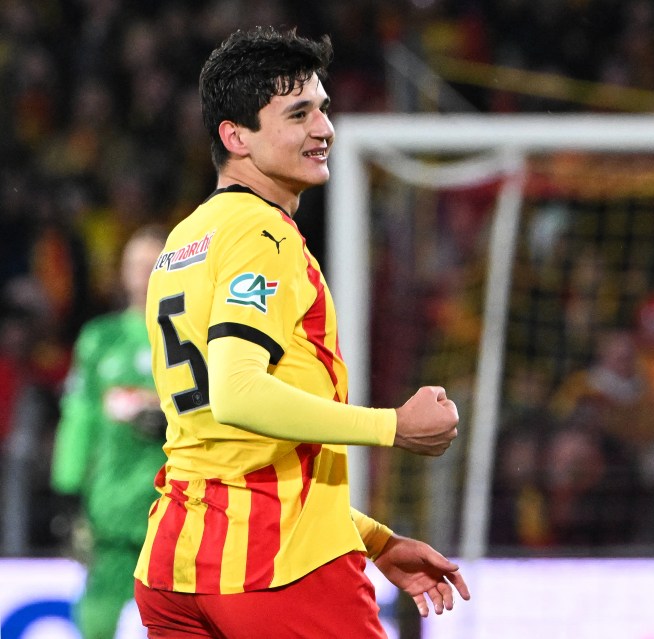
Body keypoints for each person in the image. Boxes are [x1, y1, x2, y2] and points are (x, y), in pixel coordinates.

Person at [132, 26, 469, 638]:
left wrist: (372, 538)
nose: (324, 129)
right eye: (298, 114)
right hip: (275, 567)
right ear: (236, 137)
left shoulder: (184, 240)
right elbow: (238, 394)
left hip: (175, 567)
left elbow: (227, 449)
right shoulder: (263, 236)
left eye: (322, 108)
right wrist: (393, 427)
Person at [50, 225, 170, 639]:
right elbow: (79, 418)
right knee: (97, 621)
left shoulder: (194, 340)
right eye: (134, 264)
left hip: (178, 511)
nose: (142, 273)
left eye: (153, 263)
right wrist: (67, 489)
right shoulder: (101, 339)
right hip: (112, 508)